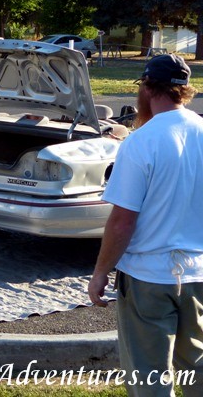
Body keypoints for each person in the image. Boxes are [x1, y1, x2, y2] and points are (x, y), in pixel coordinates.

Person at [88, 54, 203, 396]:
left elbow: (122, 222)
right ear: (184, 90)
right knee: (197, 365)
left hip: (147, 277)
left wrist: (100, 272)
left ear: (148, 88)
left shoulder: (140, 141)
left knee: (149, 375)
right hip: (198, 271)